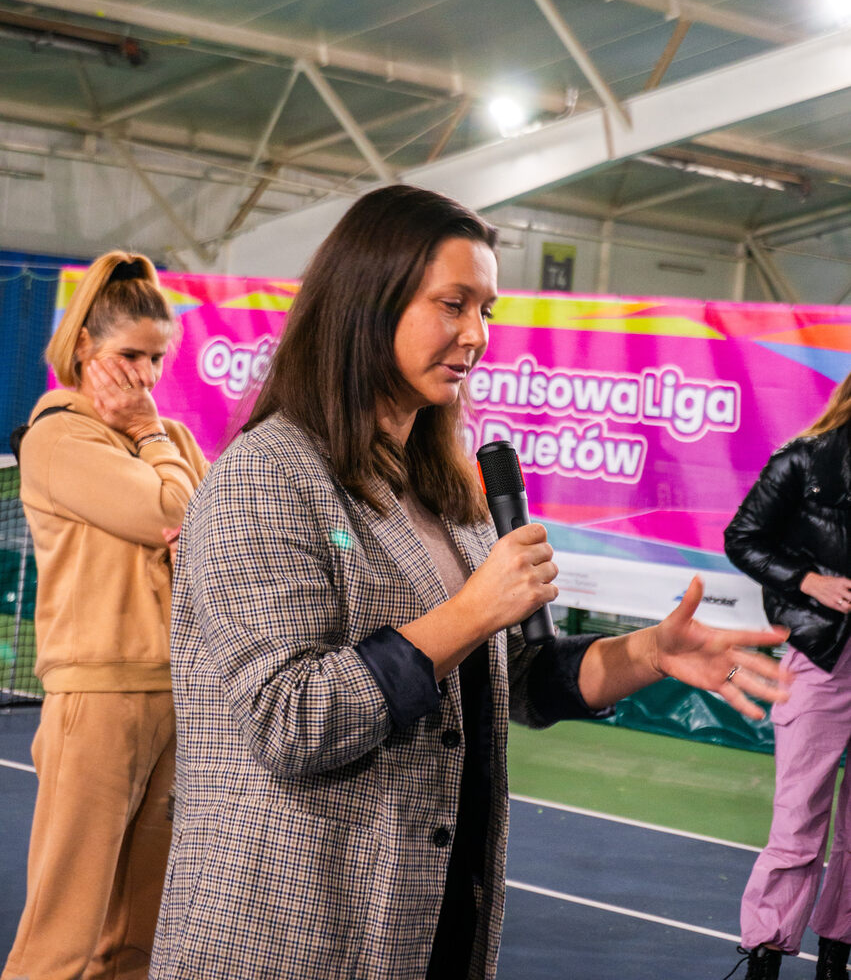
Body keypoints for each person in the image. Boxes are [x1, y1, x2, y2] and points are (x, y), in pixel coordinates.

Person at [150, 184, 789, 980]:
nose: (476, 335)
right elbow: (291, 719)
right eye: (452, 304)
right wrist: (472, 610)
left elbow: (509, 678)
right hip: (293, 932)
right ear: (366, 303)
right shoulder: (265, 476)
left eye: (485, 310)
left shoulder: (444, 493)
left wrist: (649, 653)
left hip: (425, 917)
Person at [3, 251, 207, 980]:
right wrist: (154, 441)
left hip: (174, 696)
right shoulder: (60, 436)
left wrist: (158, 445)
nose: (146, 377)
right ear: (85, 344)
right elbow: (172, 510)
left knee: (133, 942)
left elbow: (212, 536)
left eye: (157, 359)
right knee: (61, 941)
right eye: (131, 356)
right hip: (95, 700)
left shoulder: (170, 438)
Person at [724, 375, 851, 980]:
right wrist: (808, 581)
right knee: (798, 819)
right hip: (822, 657)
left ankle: (836, 957)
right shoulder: (802, 461)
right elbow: (742, 538)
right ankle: (766, 957)